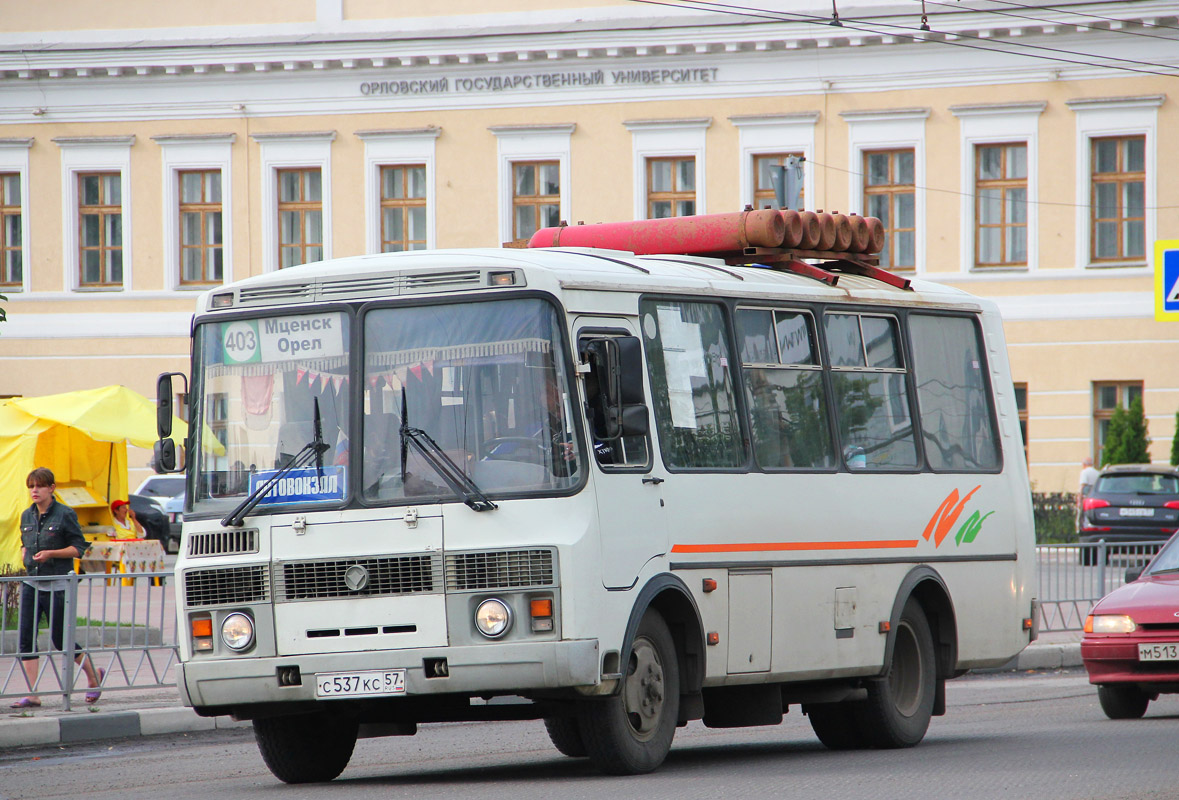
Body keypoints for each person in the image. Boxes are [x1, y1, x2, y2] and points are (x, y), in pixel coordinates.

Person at [11, 467, 105, 709]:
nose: (34, 490)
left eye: (39, 486)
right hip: (32, 582)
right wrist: (26, 555)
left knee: (61, 638)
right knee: (25, 638)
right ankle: (33, 694)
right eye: (31, 486)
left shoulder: (64, 514)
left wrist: (52, 553)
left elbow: (79, 547)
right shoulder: (26, 515)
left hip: (58, 584)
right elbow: (25, 543)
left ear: (51, 488)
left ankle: (93, 675)